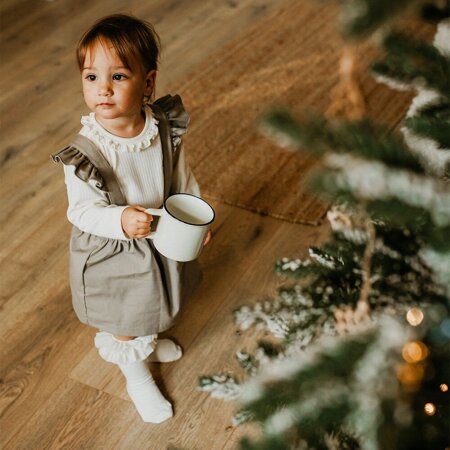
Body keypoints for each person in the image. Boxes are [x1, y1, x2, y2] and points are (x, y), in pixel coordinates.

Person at [51, 14, 211, 424]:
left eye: (118, 76)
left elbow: (180, 175)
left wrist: (196, 216)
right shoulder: (84, 153)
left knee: (155, 295)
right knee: (125, 312)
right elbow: (81, 210)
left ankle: (149, 338)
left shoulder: (160, 127)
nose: (102, 88)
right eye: (91, 77)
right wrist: (120, 220)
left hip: (161, 233)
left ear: (149, 83)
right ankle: (135, 371)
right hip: (114, 249)